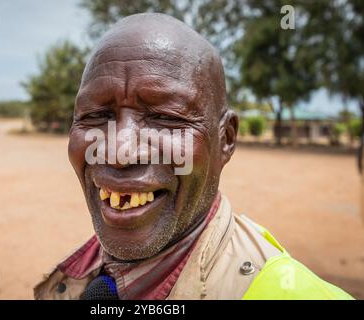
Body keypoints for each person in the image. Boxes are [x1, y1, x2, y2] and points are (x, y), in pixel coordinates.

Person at [34, 13, 353, 300]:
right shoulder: (85, 279)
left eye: (166, 118)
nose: (120, 152)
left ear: (225, 139)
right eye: (95, 114)